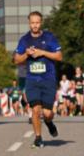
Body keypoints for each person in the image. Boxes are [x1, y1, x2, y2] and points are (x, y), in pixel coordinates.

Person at [13, 11, 63, 148]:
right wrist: (26, 54)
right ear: (29, 23)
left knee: (47, 113)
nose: (35, 25)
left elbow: (59, 56)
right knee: (35, 110)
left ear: (41, 23)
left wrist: (43, 52)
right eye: (32, 23)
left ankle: (49, 122)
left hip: (48, 79)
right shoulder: (24, 40)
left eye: (37, 22)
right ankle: (38, 138)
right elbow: (17, 60)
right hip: (32, 80)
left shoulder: (49, 37)